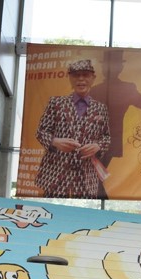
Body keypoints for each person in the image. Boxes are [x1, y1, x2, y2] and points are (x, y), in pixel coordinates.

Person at [35, 59, 110, 198]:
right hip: (56, 172)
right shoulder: (56, 103)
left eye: (85, 75)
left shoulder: (101, 108)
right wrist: (55, 142)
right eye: (76, 75)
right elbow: (41, 131)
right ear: (70, 78)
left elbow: (106, 137)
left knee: (84, 209)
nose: (81, 79)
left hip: (86, 175)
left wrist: (98, 146)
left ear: (93, 78)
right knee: (53, 207)